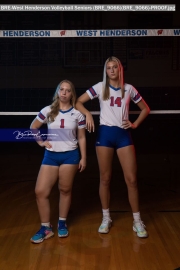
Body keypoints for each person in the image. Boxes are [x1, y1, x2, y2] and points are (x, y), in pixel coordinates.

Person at [76, 56, 150, 238]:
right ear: (105, 71)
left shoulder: (128, 89)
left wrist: (135, 124)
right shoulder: (100, 87)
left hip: (123, 136)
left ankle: (137, 220)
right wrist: (88, 115)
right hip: (105, 136)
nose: (111, 70)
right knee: (105, 178)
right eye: (108, 68)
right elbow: (78, 101)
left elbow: (145, 109)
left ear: (120, 69)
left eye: (114, 67)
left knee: (131, 179)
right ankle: (106, 217)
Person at [30, 79, 86, 243]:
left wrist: (84, 158)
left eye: (68, 90)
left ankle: (62, 223)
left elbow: (82, 137)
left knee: (65, 190)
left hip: (70, 155)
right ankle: (46, 228)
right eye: (61, 89)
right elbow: (33, 126)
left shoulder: (77, 114)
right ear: (57, 92)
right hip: (51, 155)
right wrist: (41, 141)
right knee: (40, 192)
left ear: (71, 94)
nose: (64, 92)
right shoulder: (47, 110)